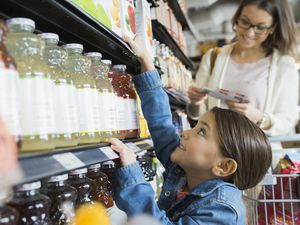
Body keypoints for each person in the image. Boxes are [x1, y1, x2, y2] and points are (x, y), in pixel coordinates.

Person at [107, 34, 272, 225]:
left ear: (223, 166)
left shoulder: (223, 209)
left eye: (201, 132)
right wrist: (146, 63)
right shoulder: (187, 170)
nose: (185, 132)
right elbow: (162, 125)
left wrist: (132, 178)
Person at [187, 0, 299, 136]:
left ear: (273, 28)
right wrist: (196, 103)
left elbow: (286, 122)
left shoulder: (284, 66)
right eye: (245, 22)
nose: (249, 33)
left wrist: (259, 117)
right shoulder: (214, 57)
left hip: (255, 155)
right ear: (237, 17)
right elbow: (198, 116)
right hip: (213, 152)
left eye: (260, 27)